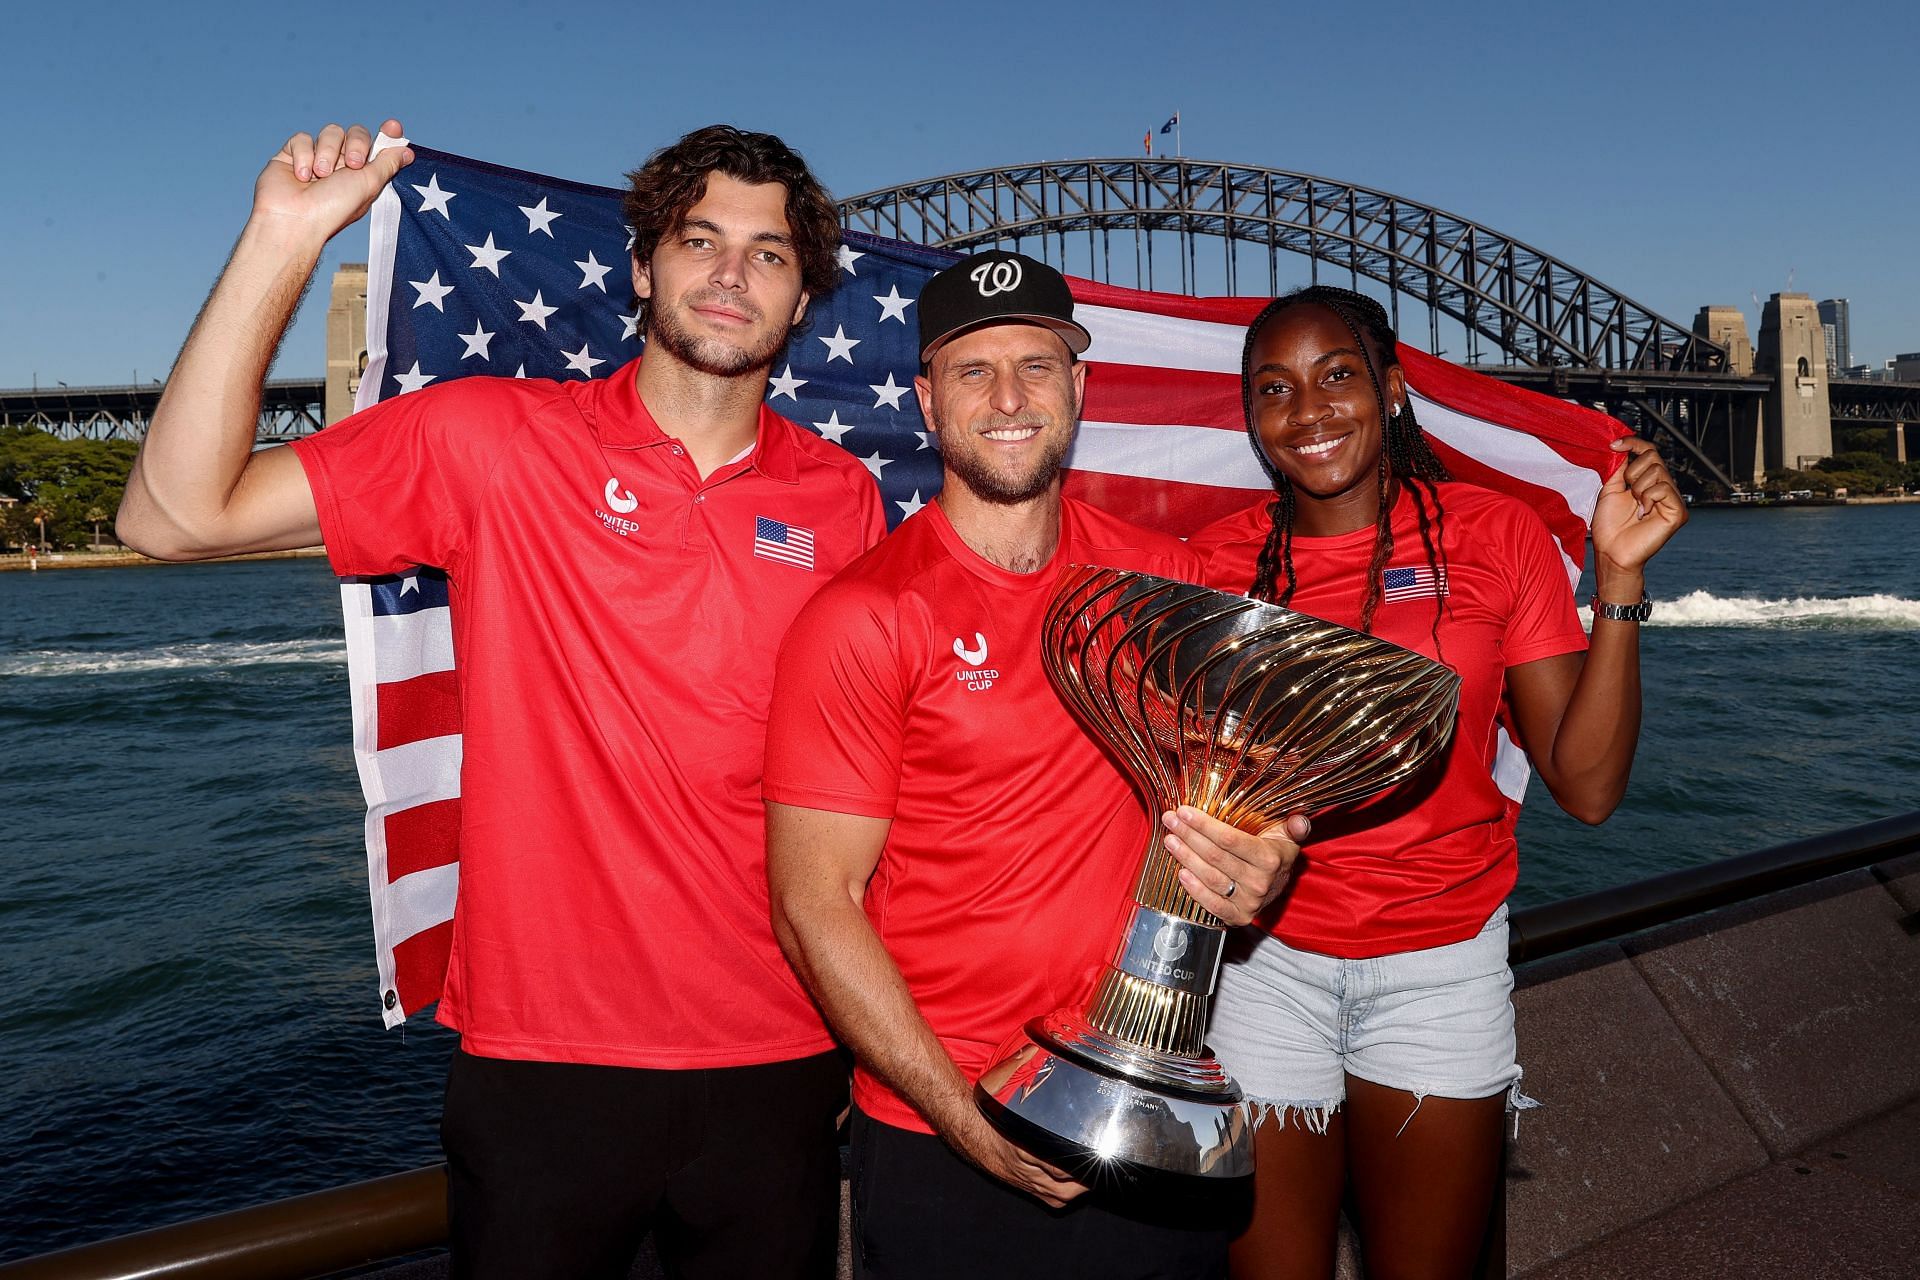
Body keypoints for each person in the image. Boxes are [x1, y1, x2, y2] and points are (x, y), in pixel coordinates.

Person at [116, 119, 885, 1279]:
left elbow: (870, 789)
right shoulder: (495, 440)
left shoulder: (844, 500)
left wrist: (868, 1040)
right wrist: (286, 237)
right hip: (543, 1065)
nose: (731, 272)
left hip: (784, 1058)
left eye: (769, 252)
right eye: (700, 238)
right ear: (642, 267)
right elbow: (169, 517)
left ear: (802, 296)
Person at [762, 249, 1309, 1279]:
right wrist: (965, 1119)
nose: (1009, 397)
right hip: (946, 1126)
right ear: (927, 398)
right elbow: (812, 900)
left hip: (1153, 1112)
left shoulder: (1171, 587)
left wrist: (1264, 860)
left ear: (1080, 387)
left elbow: (1251, 798)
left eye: (1038, 364)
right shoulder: (864, 615)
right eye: (973, 370)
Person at [1186, 285, 1685, 1280]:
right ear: (1249, 415)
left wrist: (1619, 580)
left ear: (1395, 388)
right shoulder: (1209, 562)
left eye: (1338, 376)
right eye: (1274, 388)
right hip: (1259, 973)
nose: (1309, 410)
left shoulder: (1492, 536)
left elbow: (1586, 787)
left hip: (1439, 972)